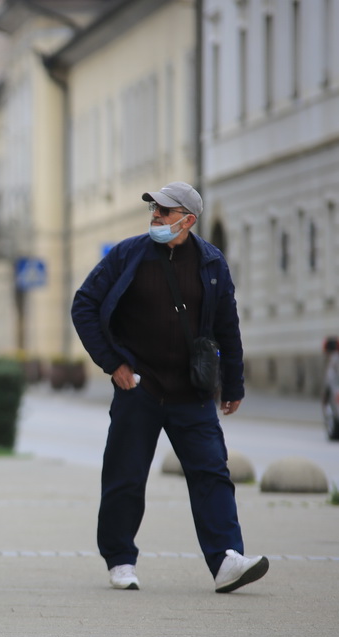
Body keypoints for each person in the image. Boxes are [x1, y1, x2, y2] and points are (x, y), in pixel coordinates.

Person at [71, 181, 269, 593]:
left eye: (164, 211)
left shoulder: (211, 263)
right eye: (153, 210)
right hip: (139, 388)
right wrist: (113, 364)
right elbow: (84, 304)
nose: (155, 217)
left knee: (212, 474)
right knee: (125, 477)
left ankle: (226, 561)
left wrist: (232, 383)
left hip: (192, 391)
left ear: (188, 220)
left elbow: (227, 327)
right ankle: (120, 559)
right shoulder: (128, 254)